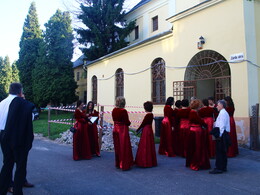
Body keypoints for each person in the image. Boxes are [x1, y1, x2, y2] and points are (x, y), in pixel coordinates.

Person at [0, 83, 35, 194]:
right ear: (20, 92)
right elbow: (31, 117)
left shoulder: (1, 103)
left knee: (7, 163)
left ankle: (3, 188)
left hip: (3, 135)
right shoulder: (21, 103)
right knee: (20, 164)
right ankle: (17, 190)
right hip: (17, 136)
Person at [186, 99, 210, 171]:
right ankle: (197, 162)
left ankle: (192, 161)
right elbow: (199, 121)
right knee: (197, 147)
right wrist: (205, 124)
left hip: (192, 130)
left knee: (193, 147)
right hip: (196, 131)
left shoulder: (193, 112)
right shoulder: (193, 113)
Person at [112, 97, 134, 170]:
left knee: (117, 147)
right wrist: (129, 123)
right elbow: (126, 121)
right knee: (124, 147)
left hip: (115, 129)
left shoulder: (114, 110)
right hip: (122, 130)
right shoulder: (123, 111)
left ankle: (118, 163)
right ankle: (124, 164)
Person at [209, 100, 231, 174]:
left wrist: (219, 135)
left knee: (220, 152)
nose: (217, 106)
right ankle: (223, 167)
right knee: (222, 152)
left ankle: (219, 168)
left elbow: (222, 126)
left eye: (218, 105)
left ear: (222, 105)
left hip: (222, 133)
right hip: (222, 133)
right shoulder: (222, 113)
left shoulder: (223, 113)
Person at [135, 101, 157, 168]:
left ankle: (144, 160)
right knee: (150, 145)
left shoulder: (147, 115)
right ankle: (150, 160)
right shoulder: (151, 114)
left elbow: (143, 124)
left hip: (146, 130)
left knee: (145, 145)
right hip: (149, 129)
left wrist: (138, 129)